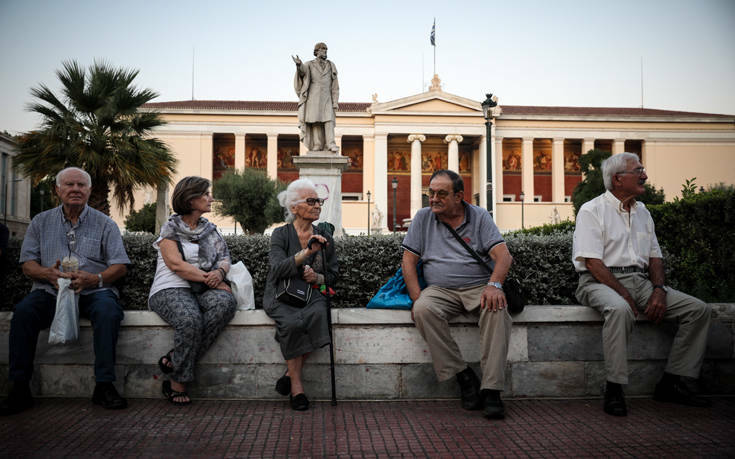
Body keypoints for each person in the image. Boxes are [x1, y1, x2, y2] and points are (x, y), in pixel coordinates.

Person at [573, 152, 712, 417]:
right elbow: (593, 263)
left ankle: (674, 382)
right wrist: (625, 294)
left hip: (640, 280)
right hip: (597, 281)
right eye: (638, 171)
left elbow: (655, 258)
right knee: (620, 309)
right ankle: (614, 388)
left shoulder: (643, 212)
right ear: (617, 179)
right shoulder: (592, 210)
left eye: (642, 170)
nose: (644, 176)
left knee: (699, 310)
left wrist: (659, 290)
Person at [1, 167, 130, 415]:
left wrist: (95, 278)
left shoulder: (106, 224)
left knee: (109, 313)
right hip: (50, 291)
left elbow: (120, 266)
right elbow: (27, 264)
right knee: (24, 313)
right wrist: (46, 274)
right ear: (57, 190)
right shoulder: (40, 222)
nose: (75, 189)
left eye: (81, 185)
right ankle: (19, 387)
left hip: (93, 291)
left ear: (89, 191)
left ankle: (104, 385)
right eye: (69, 185)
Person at [402, 169, 514, 420]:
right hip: (440, 290)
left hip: (479, 287)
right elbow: (408, 261)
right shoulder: (422, 218)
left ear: (459, 196)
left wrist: (494, 285)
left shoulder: (480, 216)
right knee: (422, 310)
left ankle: (492, 390)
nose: (433, 199)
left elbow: (504, 256)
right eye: (431, 193)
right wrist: (416, 297)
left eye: (442, 193)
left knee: (497, 310)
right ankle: (463, 376)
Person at [148, 176, 236, 406]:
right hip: (171, 287)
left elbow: (225, 257)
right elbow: (177, 266)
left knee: (225, 303)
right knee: (190, 319)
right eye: (206, 194)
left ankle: (174, 358)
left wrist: (220, 273)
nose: (211, 198)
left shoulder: (210, 229)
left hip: (203, 288)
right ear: (190, 198)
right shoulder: (170, 230)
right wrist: (212, 278)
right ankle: (177, 382)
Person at [263, 178, 338, 411]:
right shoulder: (280, 234)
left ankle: (288, 373)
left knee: (317, 317)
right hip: (281, 293)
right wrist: (307, 252)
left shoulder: (326, 236)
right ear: (294, 207)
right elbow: (277, 269)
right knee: (292, 323)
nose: (317, 205)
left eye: (319, 201)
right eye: (311, 201)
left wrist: (317, 278)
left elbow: (333, 274)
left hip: (312, 293)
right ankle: (297, 387)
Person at [292, 42, 339, 153]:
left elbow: (335, 86)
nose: (325, 51)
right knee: (315, 121)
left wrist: (335, 101)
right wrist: (299, 65)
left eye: (326, 49)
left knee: (329, 120)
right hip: (313, 97)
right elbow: (303, 72)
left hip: (327, 96)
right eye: (322, 49)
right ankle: (317, 144)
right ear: (316, 51)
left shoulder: (331, 65)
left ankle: (331, 143)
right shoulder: (309, 64)